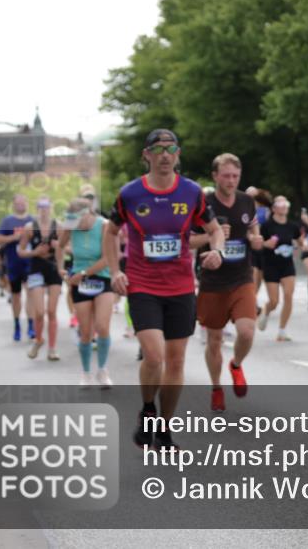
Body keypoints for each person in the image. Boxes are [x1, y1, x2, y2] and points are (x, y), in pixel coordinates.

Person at [104, 129, 224, 450]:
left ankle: (165, 428)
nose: (164, 155)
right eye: (157, 149)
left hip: (181, 286)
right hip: (143, 285)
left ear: (178, 154)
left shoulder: (192, 192)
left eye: (170, 149)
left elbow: (214, 230)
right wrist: (115, 271)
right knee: (154, 357)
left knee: (176, 361)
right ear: (146, 155)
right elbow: (111, 231)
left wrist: (218, 251)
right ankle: (147, 408)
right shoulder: (130, 194)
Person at [192, 153, 263, 413]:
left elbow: (254, 227)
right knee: (214, 339)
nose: (231, 181)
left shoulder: (246, 201)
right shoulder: (203, 203)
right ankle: (216, 387)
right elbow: (187, 241)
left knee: (246, 331)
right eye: (226, 176)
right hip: (212, 280)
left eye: (235, 176)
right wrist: (212, 237)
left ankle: (235, 364)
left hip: (242, 276)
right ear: (215, 176)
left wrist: (256, 238)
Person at [57, 196, 115, 388]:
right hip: (79, 281)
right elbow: (59, 246)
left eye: (79, 220)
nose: (77, 225)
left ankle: (103, 370)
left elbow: (107, 259)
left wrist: (83, 274)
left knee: (103, 327)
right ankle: (86, 373)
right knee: (86, 331)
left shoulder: (104, 225)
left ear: (89, 214)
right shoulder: (71, 224)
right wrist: (60, 269)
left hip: (102, 278)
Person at [18, 197, 64, 360]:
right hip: (36, 269)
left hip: (53, 269)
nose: (44, 210)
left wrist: (59, 252)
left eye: (46, 207)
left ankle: (52, 349)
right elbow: (20, 251)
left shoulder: (58, 226)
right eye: (41, 207)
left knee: (52, 311)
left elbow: (66, 248)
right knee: (39, 312)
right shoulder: (30, 227)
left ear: (51, 208)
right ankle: (38, 340)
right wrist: (34, 252)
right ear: (37, 209)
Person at [257, 196, 306, 341]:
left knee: (289, 296)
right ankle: (266, 311)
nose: (284, 205)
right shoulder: (266, 226)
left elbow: (299, 240)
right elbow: (258, 244)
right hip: (270, 265)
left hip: (287, 265)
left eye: (286, 202)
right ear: (273, 208)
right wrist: (267, 244)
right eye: (280, 202)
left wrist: (302, 244)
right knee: (274, 301)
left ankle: (282, 330)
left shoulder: (293, 226)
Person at [0, 194, 35, 341]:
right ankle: (17, 325)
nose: (20, 205)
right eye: (17, 203)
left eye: (22, 202)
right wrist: (14, 237)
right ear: (13, 205)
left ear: (26, 203)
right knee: (16, 296)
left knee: (30, 294)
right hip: (13, 263)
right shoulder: (7, 221)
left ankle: (31, 326)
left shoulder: (32, 220)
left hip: (30, 263)